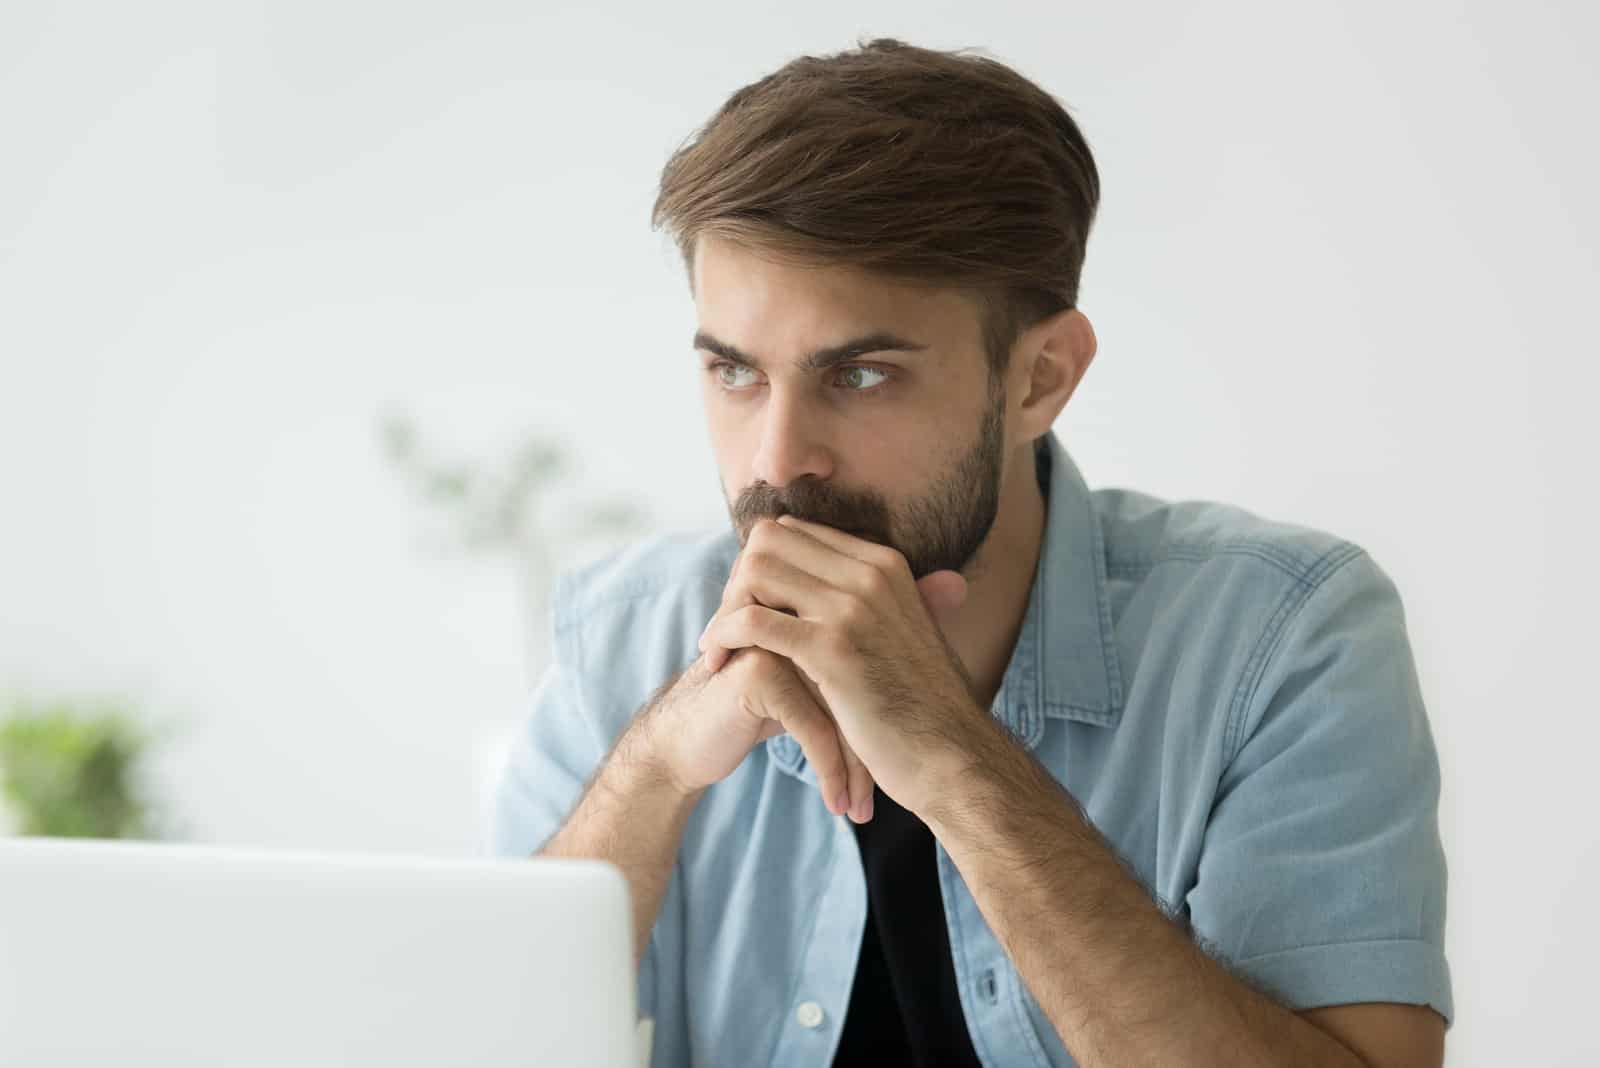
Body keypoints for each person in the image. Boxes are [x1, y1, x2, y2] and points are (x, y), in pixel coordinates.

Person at [489, 37, 1451, 1068]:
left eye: (858, 376)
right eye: (733, 373)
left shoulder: (1280, 636)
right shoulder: (626, 634)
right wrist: (655, 773)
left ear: (1040, 378)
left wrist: (952, 756)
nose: (777, 461)